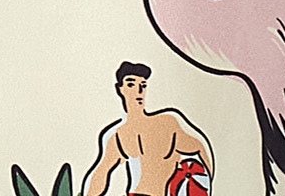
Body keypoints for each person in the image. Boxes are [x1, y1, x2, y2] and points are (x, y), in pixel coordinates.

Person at [81, 62, 215, 196]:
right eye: (131, 85)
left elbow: (200, 148)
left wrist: (208, 185)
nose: (139, 91)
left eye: (143, 85)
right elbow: (101, 173)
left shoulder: (168, 124)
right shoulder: (118, 135)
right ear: (120, 89)